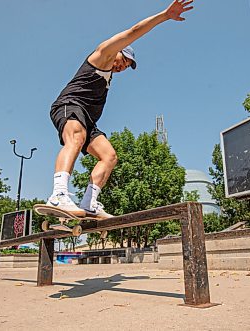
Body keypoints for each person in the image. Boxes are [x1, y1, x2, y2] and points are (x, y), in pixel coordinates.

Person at [47, 0, 194, 218]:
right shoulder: (102, 54)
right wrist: (164, 16)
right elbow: (135, 31)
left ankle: (89, 202)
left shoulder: (110, 74)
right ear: (117, 51)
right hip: (69, 106)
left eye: (125, 67)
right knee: (76, 138)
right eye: (122, 60)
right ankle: (58, 195)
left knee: (109, 156)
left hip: (87, 120)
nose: (121, 67)